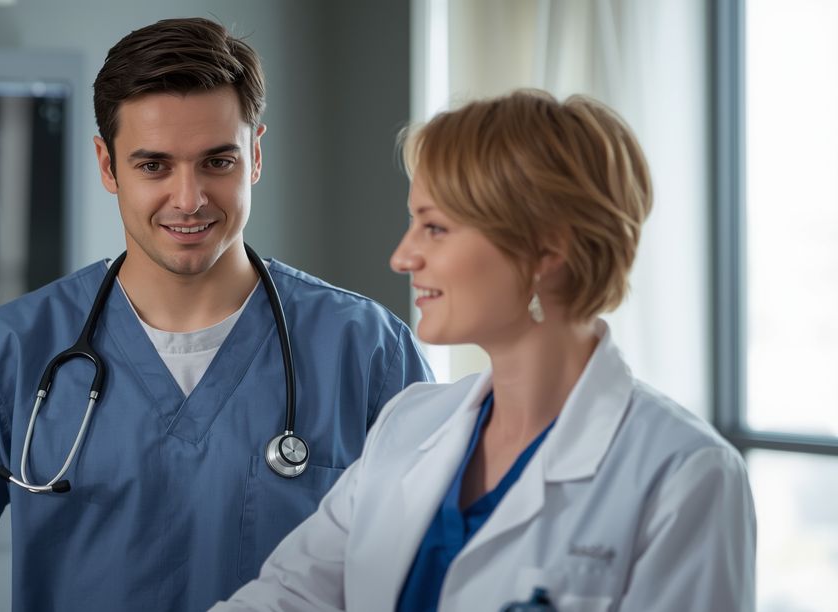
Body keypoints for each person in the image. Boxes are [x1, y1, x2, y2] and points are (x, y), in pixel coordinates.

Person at [0, 17, 432, 612]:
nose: (188, 200)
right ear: (108, 166)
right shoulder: (11, 349)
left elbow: (435, 576)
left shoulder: (367, 351)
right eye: (154, 166)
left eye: (218, 162)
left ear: (256, 155)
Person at [212, 90, 756, 611]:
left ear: (546, 248)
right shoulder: (411, 424)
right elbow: (288, 598)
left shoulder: (685, 476)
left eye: (435, 227)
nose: (403, 257)